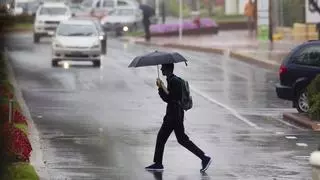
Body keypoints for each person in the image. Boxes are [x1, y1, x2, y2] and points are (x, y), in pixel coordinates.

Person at [145, 63, 212, 172]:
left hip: (173, 115)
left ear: (167, 69)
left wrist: (160, 88)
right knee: (182, 140)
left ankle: (158, 163)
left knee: (162, 137)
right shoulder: (173, 80)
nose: (161, 69)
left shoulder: (173, 81)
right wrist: (162, 86)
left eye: (163, 67)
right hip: (177, 114)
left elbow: (169, 98)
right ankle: (204, 158)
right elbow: (171, 96)